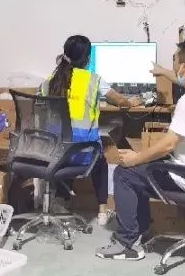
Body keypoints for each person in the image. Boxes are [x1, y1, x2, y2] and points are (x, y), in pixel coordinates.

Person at [95, 40, 185, 261]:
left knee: (124, 173)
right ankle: (142, 230)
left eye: (174, 61)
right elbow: (182, 79)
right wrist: (162, 71)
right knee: (141, 167)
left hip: (184, 177)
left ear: (183, 67)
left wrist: (136, 158)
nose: (173, 66)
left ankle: (128, 244)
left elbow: (169, 145)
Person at [39, 35, 140, 226]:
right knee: (100, 159)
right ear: (87, 59)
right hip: (83, 154)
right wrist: (131, 102)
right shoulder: (93, 80)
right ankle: (102, 211)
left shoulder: (49, 81)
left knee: (67, 143)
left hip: (53, 153)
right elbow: (119, 100)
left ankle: (61, 201)